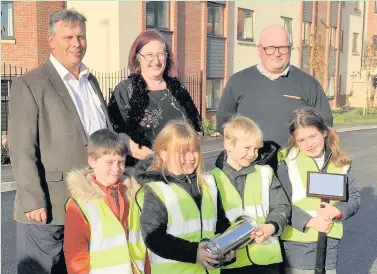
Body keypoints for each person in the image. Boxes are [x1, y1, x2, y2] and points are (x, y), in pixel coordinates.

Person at [7, 9, 149, 274]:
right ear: (51, 41)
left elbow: (100, 137)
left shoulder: (90, 81)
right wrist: (33, 199)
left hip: (90, 202)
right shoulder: (30, 84)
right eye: (68, 37)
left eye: (81, 37)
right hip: (49, 207)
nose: (76, 43)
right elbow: (21, 147)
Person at [216, 25, 333, 168]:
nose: (276, 53)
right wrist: (245, 151)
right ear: (260, 49)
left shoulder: (309, 84)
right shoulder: (238, 81)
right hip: (249, 166)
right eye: (270, 47)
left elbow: (325, 125)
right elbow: (224, 123)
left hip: (294, 166)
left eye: (282, 47)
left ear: (290, 49)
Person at [135, 120, 234, 273]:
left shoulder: (209, 183)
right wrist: (194, 253)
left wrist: (227, 249)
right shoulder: (157, 189)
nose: (190, 158)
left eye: (194, 151)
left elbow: (220, 223)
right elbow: (154, 238)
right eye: (182, 153)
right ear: (164, 154)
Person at [277, 107, 360, 274]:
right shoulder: (288, 161)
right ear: (295, 140)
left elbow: (354, 199)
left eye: (312, 136)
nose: (309, 144)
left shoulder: (340, 162)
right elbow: (279, 203)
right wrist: (310, 221)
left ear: (323, 132)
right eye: (301, 140)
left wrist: (337, 210)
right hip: (297, 244)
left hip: (329, 243)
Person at [107, 29, 202, 165]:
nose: (156, 60)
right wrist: (151, 157)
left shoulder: (178, 88)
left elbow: (196, 127)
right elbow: (116, 132)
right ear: (138, 57)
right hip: (145, 170)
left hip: (182, 168)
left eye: (160, 54)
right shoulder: (125, 90)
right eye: (149, 55)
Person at [212, 116, 291, 274]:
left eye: (256, 149)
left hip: (265, 261)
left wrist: (271, 226)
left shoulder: (265, 173)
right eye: (247, 148)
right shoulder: (211, 179)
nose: (252, 154)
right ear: (228, 144)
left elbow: (281, 206)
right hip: (231, 263)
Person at [64, 129, 150, 274]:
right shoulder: (81, 204)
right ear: (92, 161)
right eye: (109, 162)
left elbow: (144, 241)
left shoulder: (135, 194)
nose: (116, 169)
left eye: (121, 162)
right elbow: (75, 254)